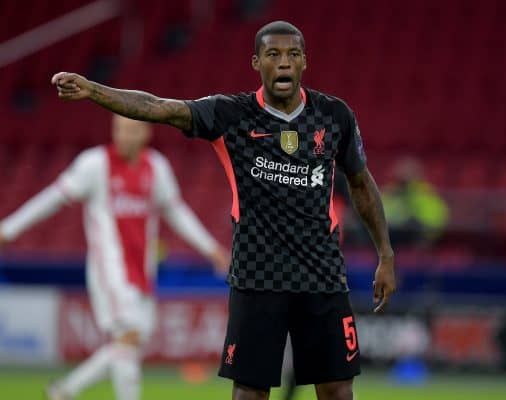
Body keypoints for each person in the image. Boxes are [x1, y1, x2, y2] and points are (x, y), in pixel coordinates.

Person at [50, 20, 396, 400]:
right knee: (249, 392)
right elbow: (159, 108)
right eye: (273, 55)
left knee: (338, 391)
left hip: (323, 277)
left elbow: (362, 183)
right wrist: (92, 89)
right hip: (257, 278)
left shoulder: (335, 117)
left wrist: (386, 254)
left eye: (292, 55)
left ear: (304, 63)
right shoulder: (231, 114)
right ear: (256, 63)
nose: (284, 63)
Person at [0, 114, 230, 400]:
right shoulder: (94, 164)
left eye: (132, 129)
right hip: (110, 270)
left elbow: (176, 212)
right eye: (119, 129)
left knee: (130, 344)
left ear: (145, 132)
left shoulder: (156, 167)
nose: (124, 135)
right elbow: (53, 198)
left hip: (142, 271)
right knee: (129, 337)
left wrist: (210, 248)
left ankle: (64, 390)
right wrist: (9, 229)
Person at [381, 157, 449, 248]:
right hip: (391, 234)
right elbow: (380, 213)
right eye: (401, 176)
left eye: (407, 175)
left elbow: (437, 219)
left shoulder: (425, 192)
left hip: (418, 235)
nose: (403, 178)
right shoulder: (390, 192)